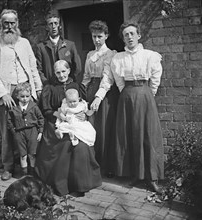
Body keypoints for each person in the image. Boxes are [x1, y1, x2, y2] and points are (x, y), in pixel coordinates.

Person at [93, 21, 164, 193]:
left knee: (148, 134)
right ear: (122, 38)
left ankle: (152, 177)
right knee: (129, 135)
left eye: (132, 33)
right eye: (126, 34)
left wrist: (147, 94)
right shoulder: (118, 58)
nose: (129, 37)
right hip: (127, 95)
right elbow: (115, 80)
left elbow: (155, 78)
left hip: (145, 94)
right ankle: (134, 174)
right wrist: (125, 93)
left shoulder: (150, 55)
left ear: (139, 35)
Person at [0, 9, 42, 181]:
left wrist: (37, 88)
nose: (9, 27)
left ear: (16, 24)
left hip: (26, 90)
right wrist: (3, 94)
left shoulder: (24, 43)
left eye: (12, 23)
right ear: (1, 24)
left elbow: (33, 67)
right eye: (6, 23)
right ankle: (8, 167)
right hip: (7, 91)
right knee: (7, 132)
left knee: (29, 130)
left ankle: (31, 167)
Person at [35, 60, 102, 197]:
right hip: (56, 122)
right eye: (58, 72)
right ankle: (63, 184)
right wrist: (58, 115)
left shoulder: (76, 86)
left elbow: (84, 105)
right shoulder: (50, 87)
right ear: (54, 73)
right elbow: (46, 110)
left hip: (77, 124)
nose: (61, 75)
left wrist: (84, 115)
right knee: (65, 145)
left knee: (82, 147)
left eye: (63, 71)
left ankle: (81, 184)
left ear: (69, 70)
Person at [81, 20, 120, 177]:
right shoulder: (90, 55)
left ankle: (105, 167)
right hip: (90, 91)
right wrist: (81, 94)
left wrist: (98, 98)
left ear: (106, 36)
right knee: (89, 128)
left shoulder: (111, 54)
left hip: (104, 94)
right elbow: (85, 77)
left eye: (100, 36)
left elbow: (107, 78)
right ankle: (91, 164)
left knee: (103, 128)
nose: (97, 40)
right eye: (94, 36)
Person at [7, 82, 44, 176]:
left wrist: (40, 132)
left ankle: (32, 174)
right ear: (17, 96)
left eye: (27, 96)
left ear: (30, 95)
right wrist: (14, 132)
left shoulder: (34, 107)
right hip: (20, 133)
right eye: (22, 96)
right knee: (23, 155)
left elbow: (41, 119)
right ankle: (25, 175)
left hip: (32, 132)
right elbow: (9, 121)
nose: (25, 99)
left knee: (32, 154)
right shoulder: (14, 108)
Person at [35, 12, 82, 85]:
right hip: (50, 86)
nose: (53, 26)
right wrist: (46, 83)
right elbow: (38, 69)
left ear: (59, 26)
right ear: (47, 27)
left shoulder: (70, 45)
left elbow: (77, 67)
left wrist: (70, 80)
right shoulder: (41, 47)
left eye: (56, 23)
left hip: (68, 85)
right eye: (50, 24)